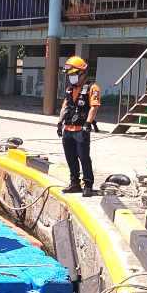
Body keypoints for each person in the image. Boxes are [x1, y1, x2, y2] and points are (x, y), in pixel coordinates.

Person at [56, 56, 100, 197]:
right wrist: (59, 122)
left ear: (82, 73)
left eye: (74, 74)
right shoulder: (69, 90)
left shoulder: (92, 88)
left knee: (83, 157)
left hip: (80, 130)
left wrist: (87, 124)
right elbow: (64, 107)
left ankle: (88, 184)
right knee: (70, 157)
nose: (71, 77)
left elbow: (93, 107)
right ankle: (75, 183)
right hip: (68, 129)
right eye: (70, 75)